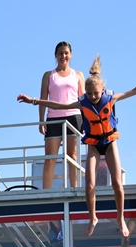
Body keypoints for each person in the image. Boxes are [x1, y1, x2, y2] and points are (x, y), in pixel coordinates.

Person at [17, 56, 136, 237]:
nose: (92, 97)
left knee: (117, 183)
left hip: (109, 143)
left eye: (96, 94)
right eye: (89, 94)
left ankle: (120, 217)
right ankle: (93, 218)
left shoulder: (111, 99)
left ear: (103, 90)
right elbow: (58, 105)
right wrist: (33, 101)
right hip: (93, 144)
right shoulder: (83, 103)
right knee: (90, 184)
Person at [37, 41, 85, 189]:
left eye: (66, 53)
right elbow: (43, 99)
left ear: (71, 54)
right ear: (55, 55)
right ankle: (46, 191)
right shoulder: (48, 75)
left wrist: (87, 120)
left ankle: (74, 188)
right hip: (53, 117)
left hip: (74, 116)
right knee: (50, 158)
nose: (63, 56)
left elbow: (83, 99)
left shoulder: (78, 75)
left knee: (73, 156)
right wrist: (41, 121)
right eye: (60, 53)